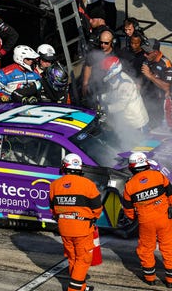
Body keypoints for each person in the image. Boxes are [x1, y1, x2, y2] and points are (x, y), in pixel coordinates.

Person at [123, 151, 172, 288]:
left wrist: (135, 218)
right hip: (164, 218)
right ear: (146, 163)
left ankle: (150, 278)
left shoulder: (129, 185)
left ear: (131, 167)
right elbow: (171, 193)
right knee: (169, 247)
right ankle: (171, 280)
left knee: (146, 249)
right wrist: (170, 206)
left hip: (145, 222)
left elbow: (128, 209)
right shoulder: (158, 175)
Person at [49, 153, 103, 291]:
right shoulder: (88, 184)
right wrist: (93, 217)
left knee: (72, 257)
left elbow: (53, 209)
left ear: (64, 167)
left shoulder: (54, 185)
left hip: (64, 227)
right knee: (83, 258)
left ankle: (81, 287)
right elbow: (97, 208)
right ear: (80, 168)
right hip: (82, 227)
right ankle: (74, 289)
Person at [99, 56, 150, 135]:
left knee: (141, 145)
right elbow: (117, 93)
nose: (104, 73)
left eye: (105, 70)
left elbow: (121, 105)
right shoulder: (116, 78)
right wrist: (102, 97)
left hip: (137, 123)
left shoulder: (125, 83)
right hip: (128, 121)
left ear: (113, 69)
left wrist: (104, 108)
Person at [141, 38, 172, 130]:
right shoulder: (147, 60)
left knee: (166, 128)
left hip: (162, 101)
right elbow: (142, 78)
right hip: (149, 98)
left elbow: (166, 87)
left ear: (155, 52)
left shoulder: (166, 64)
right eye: (144, 52)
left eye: (147, 53)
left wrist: (150, 76)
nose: (145, 54)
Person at [81, 29, 116, 108]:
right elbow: (88, 66)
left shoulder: (116, 54)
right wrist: (85, 83)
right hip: (95, 87)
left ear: (112, 42)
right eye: (101, 42)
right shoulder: (94, 52)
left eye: (106, 43)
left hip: (110, 88)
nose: (103, 45)